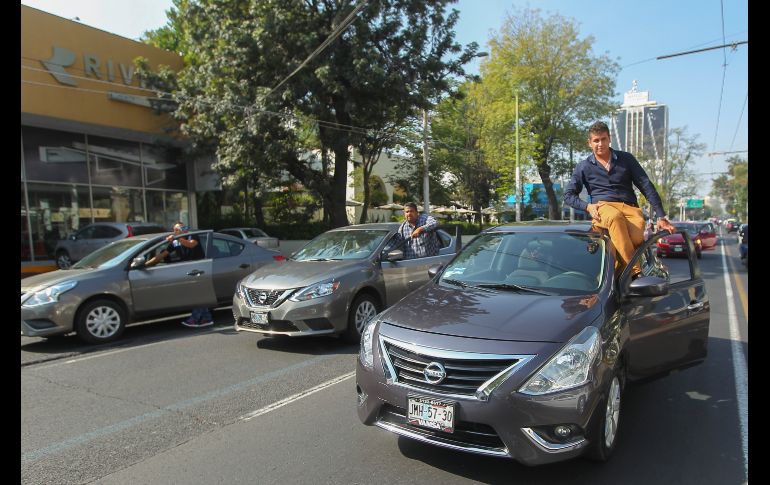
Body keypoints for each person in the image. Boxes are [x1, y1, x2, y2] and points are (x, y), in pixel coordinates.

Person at [564, 121, 675, 279]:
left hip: (630, 209)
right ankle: (636, 272)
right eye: (596, 140)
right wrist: (588, 207)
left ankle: (616, 276)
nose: (600, 144)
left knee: (635, 239)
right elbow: (568, 195)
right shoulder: (583, 166)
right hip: (604, 208)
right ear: (589, 143)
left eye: (603, 139)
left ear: (610, 139)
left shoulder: (626, 159)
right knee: (614, 218)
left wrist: (661, 216)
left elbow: (646, 185)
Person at [145, 222, 213, 327]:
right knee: (196, 294)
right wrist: (146, 264)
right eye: (174, 230)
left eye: (177, 229)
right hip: (187, 270)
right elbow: (162, 255)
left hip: (198, 268)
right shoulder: (175, 241)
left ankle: (196, 318)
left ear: (183, 229)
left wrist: (177, 238)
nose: (175, 232)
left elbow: (191, 244)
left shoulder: (191, 235)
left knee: (196, 294)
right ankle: (206, 318)